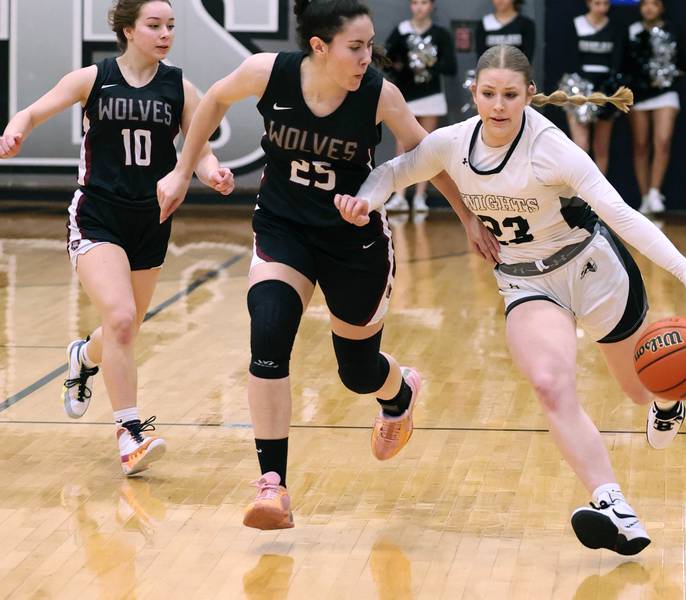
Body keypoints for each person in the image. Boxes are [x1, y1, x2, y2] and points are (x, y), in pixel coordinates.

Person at [335, 44, 686, 555]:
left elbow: (622, 214)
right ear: (472, 92)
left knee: (641, 389)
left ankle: (666, 400)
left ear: (529, 97)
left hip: (592, 269)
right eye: (489, 94)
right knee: (549, 384)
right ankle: (614, 506)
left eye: (511, 95)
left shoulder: (552, 149)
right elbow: (394, 170)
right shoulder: (451, 143)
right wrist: (365, 198)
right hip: (525, 281)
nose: (498, 105)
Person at [156, 0, 497, 531]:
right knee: (267, 340)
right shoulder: (269, 73)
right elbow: (214, 100)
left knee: (357, 372)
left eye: (368, 46)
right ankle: (273, 486)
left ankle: (399, 392)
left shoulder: (379, 94)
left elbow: (425, 153)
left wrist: (469, 218)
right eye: (355, 47)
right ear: (319, 46)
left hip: (353, 241)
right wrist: (182, 172)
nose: (367, 57)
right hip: (283, 228)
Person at [0, 0, 234, 476]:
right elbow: (31, 111)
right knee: (122, 319)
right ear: (128, 30)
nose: (165, 33)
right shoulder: (93, 79)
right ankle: (130, 435)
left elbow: (200, 152)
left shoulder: (180, 88)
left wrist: (216, 174)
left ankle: (83, 356)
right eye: (154, 25)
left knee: (124, 330)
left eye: (170, 25)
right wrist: (14, 129)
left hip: (151, 220)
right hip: (97, 216)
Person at [384, 0, 456, 213]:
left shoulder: (439, 33)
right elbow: (387, 58)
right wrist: (403, 67)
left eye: (424, 2)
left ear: (432, 6)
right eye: (415, 2)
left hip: (431, 94)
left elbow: (450, 66)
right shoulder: (402, 30)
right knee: (402, 145)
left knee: (427, 144)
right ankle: (399, 196)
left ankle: (420, 196)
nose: (419, 7)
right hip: (406, 95)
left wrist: (431, 66)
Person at [623, 0, 686, 214]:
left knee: (662, 141)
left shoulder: (672, 30)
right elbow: (624, 62)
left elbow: (685, 62)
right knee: (641, 145)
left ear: (662, 7)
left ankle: (655, 191)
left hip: (666, 92)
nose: (649, 8)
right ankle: (644, 197)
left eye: (654, 3)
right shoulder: (632, 30)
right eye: (645, 4)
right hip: (639, 93)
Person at [564, 0, 623, 175]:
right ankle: (579, 195)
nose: (602, 8)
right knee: (580, 146)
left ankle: (597, 199)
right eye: (597, 3)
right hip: (578, 89)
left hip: (605, 90)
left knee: (601, 147)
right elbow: (568, 58)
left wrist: (611, 88)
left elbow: (617, 61)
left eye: (605, 4)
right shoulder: (576, 24)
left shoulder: (615, 27)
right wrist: (577, 89)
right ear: (588, 3)